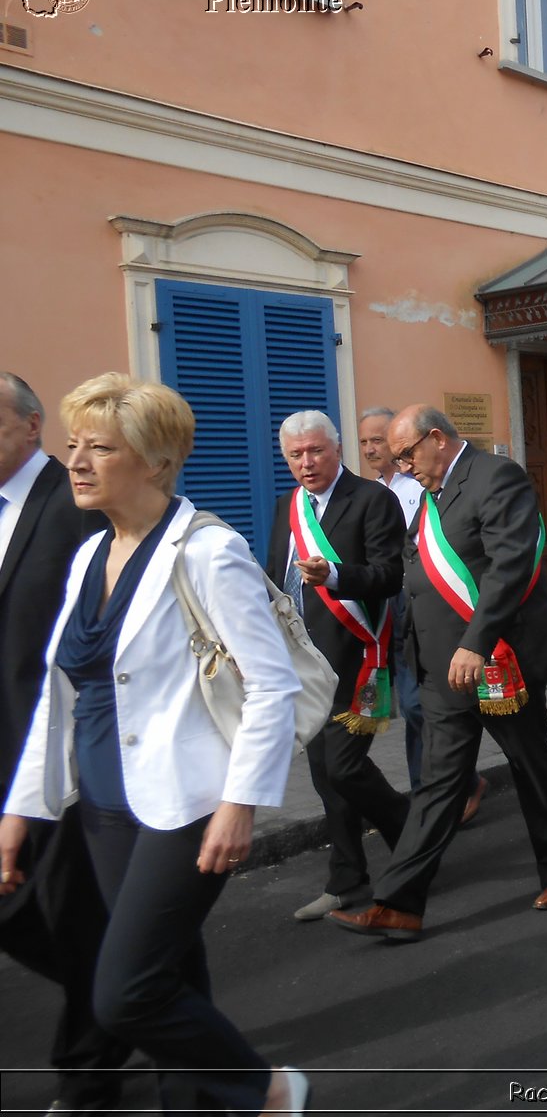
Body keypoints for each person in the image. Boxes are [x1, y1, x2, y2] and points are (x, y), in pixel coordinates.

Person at [0, 373, 309, 1116]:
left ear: (156, 462)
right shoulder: (88, 556)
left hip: (188, 803)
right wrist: (21, 810)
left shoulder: (208, 552)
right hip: (105, 803)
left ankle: (266, 1089)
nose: (76, 461)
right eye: (73, 445)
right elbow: (57, 694)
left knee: (125, 993)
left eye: (99, 448)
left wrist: (241, 803)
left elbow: (272, 686)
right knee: (170, 973)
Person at [330, 406, 547, 940]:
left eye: (405, 454)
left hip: (497, 659)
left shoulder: (498, 478)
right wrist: (340, 575)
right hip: (442, 668)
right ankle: (398, 904)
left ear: (436, 439)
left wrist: (476, 643)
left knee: (530, 762)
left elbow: (510, 565)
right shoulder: (431, 496)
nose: (401, 467)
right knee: (438, 782)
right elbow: (408, 571)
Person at [0, 372, 130, 1114]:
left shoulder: (75, 510)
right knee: (28, 917)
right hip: (8, 754)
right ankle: (137, 988)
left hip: (66, 756)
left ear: (27, 427)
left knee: (67, 909)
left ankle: (92, 1070)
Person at [267, 411, 410, 922]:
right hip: (304, 666)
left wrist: (334, 575)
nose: (306, 463)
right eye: (295, 455)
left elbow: (390, 575)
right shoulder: (288, 506)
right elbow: (275, 580)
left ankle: (411, 836)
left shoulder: (373, 500)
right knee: (326, 778)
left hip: (358, 661)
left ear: (336, 449)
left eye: (315, 452)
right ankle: (348, 878)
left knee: (345, 766)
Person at [358, 407, 490, 820]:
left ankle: (447, 788)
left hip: (439, 606)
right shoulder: (370, 490)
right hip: (395, 603)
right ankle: (431, 793)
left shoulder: (421, 483)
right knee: (417, 705)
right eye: (364, 442)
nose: (372, 449)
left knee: (422, 706)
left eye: (378, 440)